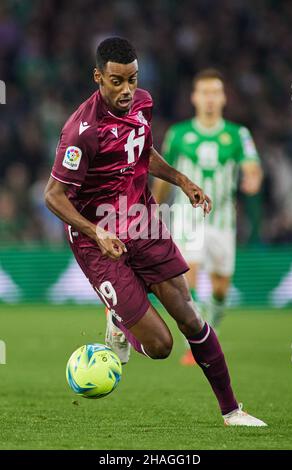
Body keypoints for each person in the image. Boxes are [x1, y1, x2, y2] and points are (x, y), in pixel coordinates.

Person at [45, 37, 266, 426]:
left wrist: (182, 180)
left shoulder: (142, 103)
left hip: (143, 222)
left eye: (132, 79)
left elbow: (142, 151)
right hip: (98, 241)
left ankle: (233, 411)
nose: (127, 89)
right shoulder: (81, 132)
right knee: (161, 346)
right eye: (116, 81)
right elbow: (54, 196)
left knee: (191, 317)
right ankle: (120, 322)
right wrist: (95, 232)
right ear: (98, 77)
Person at [153, 69, 262, 365]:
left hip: (223, 220)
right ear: (194, 98)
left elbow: (252, 166)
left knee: (220, 287)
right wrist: (153, 207)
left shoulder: (238, 135)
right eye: (204, 93)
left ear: (223, 97)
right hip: (188, 217)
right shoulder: (178, 134)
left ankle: (209, 331)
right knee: (189, 272)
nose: (210, 99)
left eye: (215, 92)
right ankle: (197, 343)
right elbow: (163, 176)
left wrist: (252, 179)